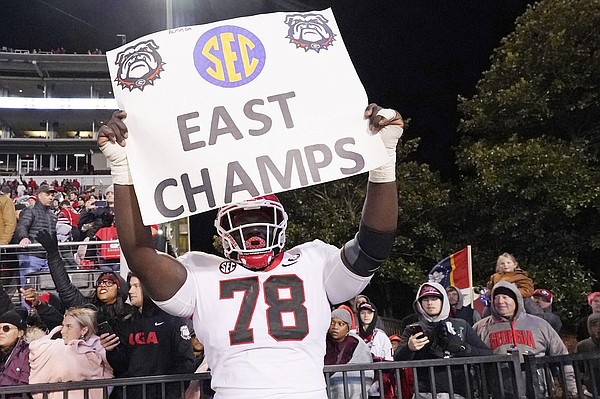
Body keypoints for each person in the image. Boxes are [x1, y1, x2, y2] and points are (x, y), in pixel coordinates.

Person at [98, 103, 403, 398]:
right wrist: (123, 169)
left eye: (261, 220)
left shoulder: (313, 260)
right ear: (223, 230)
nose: (253, 230)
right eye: (243, 220)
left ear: (279, 221)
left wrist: (383, 159)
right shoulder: (202, 272)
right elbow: (140, 254)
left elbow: (372, 245)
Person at [473, 281, 577, 398]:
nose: (500, 301)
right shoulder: (480, 327)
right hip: (499, 393)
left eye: (505, 297)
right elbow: (472, 365)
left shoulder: (540, 324)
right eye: (496, 297)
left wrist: (571, 392)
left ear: (516, 299)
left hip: (539, 392)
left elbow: (561, 358)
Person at [101, 273, 195, 399]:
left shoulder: (173, 320)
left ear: (150, 288)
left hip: (163, 394)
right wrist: (111, 350)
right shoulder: (126, 323)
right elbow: (121, 366)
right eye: (130, 286)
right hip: (131, 394)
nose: (130, 291)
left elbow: (185, 362)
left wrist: (171, 394)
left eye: (136, 286)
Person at [394, 282, 492, 399]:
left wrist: (463, 348)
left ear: (443, 301)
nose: (430, 303)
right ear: (419, 304)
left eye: (434, 299)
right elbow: (397, 360)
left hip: (459, 392)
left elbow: (487, 354)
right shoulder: (412, 329)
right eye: (425, 300)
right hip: (425, 393)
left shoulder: (461, 325)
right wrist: (409, 348)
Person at [36, 229, 132, 329]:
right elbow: (65, 289)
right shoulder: (89, 309)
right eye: (100, 283)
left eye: (109, 282)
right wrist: (53, 255)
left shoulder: (130, 313)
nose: (103, 285)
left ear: (120, 288)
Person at [29, 307, 114, 398]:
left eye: (69, 327)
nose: (62, 331)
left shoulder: (99, 348)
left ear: (84, 330)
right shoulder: (51, 347)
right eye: (63, 326)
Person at [14, 184, 57, 291]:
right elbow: (22, 226)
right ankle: (28, 309)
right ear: (39, 195)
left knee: (46, 289)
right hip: (31, 255)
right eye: (48, 195)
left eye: (52, 195)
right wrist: (24, 237)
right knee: (28, 289)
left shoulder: (52, 216)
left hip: (47, 257)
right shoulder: (30, 211)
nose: (51, 197)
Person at [324, 307, 373, 399]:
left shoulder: (356, 344)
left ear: (348, 328)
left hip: (350, 391)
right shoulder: (322, 341)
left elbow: (366, 373)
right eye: (332, 323)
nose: (335, 327)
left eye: (340, 324)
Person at [357, 301, 393, 399]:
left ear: (374, 315)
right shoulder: (353, 335)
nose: (366, 316)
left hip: (377, 387)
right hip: (356, 385)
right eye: (363, 313)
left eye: (369, 313)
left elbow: (390, 361)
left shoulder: (382, 336)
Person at [0, 308, 31, 392]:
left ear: (20, 333)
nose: (1, 332)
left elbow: (25, 385)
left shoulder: (28, 353)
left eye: (6, 328)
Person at [575, 313, 600, 397]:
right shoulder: (583, 346)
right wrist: (583, 382)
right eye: (594, 325)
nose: (598, 328)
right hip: (591, 391)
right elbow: (577, 368)